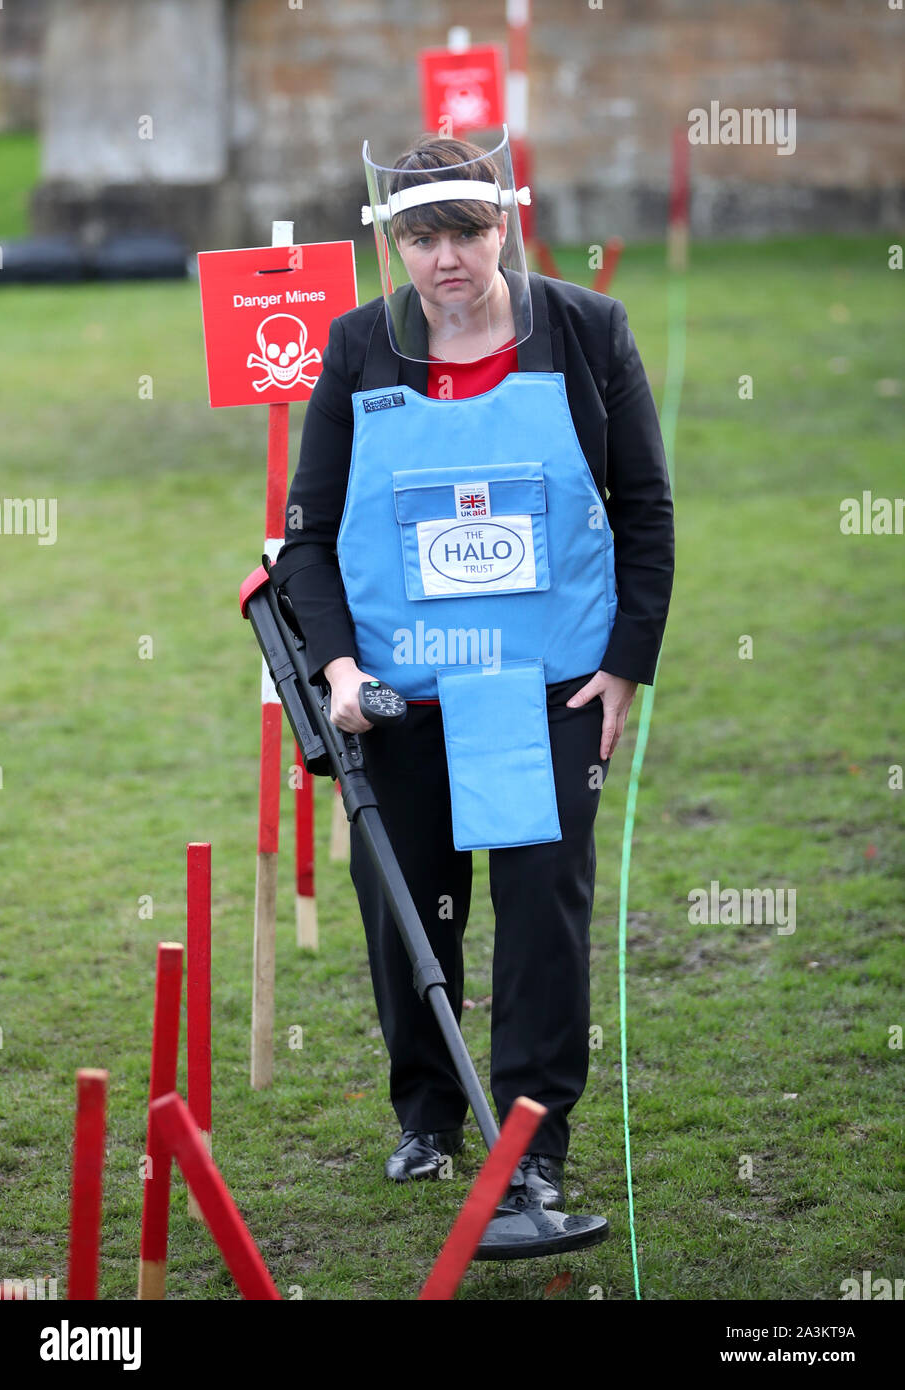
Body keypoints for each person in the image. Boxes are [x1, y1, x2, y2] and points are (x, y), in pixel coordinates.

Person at [271, 130, 674, 1213]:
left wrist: (626, 665)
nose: (446, 256)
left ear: (504, 224)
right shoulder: (359, 347)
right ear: (394, 242)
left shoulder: (588, 332)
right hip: (400, 692)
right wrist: (340, 670)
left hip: (547, 685)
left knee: (543, 905)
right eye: (421, 235)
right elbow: (306, 537)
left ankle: (535, 1138)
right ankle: (428, 1118)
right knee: (409, 905)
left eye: (465, 230)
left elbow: (644, 507)